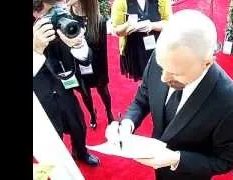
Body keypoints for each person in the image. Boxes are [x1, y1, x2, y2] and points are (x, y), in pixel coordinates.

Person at [105, 10, 233, 180]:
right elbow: (143, 98)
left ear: (207, 62)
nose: (164, 77)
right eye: (161, 65)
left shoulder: (231, 103)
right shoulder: (164, 58)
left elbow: (224, 161)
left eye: (176, 73)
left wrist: (176, 159)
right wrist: (127, 124)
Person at [33, 0, 99, 166]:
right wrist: (36, 50)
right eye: (50, 10)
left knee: (78, 126)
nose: (57, 11)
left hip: (65, 87)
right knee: (53, 137)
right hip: (39, 98)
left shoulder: (61, 18)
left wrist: (78, 44)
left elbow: (86, 60)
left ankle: (80, 152)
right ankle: (58, 165)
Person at [66, 0, 115, 129]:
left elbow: (103, 51)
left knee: (103, 91)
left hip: (97, 64)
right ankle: (92, 113)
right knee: (85, 93)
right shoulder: (66, 19)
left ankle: (109, 112)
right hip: (78, 65)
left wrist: (103, 74)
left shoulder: (99, 20)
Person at [111, 0, 172, 81]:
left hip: (159, 46)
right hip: (135, 49)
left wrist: (152, 25)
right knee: (144, 80)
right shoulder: (121, 2)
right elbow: (116, 30)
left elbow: (169, 23)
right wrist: (129, 25)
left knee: (162, 78)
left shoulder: (162, 1)